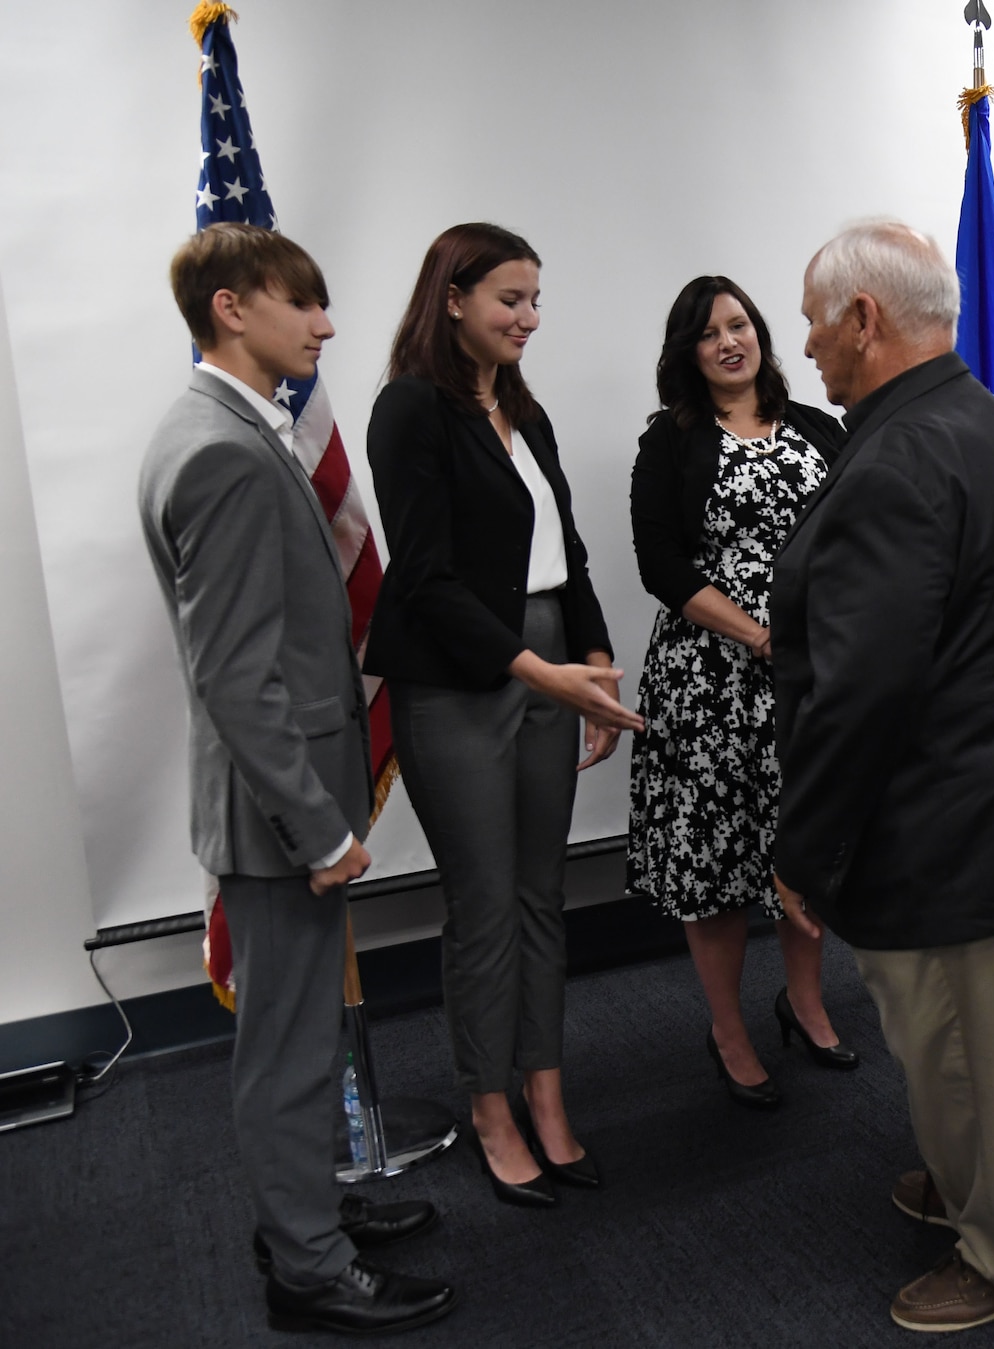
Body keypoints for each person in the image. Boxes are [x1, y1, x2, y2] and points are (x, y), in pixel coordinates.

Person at [771, 221, 994, 1332]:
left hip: (943, 815)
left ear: (865, 319)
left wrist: (804, 850)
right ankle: (964, 1184)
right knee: (973, 1038)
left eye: (818, 324)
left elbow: (862, 688)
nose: (808, 348)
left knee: (960, 1054)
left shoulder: (898, 454)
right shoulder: (971, 418)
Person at [138, 223, 453, 1334]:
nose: (324, 324)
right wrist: (319, 827)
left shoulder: (231, 426)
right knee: (284, 1047)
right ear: (232, 307)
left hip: (283, 801)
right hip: (279, 814)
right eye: (303, 303)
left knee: (302, 1030)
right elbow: (236, 674)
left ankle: (304, 1212)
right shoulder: (219, 449)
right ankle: (307, 1270)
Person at [366, 223, 643, 1206]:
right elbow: (427, 577)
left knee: (540, 896)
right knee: (481, 905)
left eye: (535, 301)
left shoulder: (524, 411)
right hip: (457, 675)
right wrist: (541, 673)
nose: (527, 318)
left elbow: (562, 548)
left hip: (548, 663)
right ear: (452, 298)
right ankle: (490, 1106)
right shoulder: (410, 409)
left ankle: (547, 1093)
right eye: (508, 299)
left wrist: (597, 660)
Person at [628, 276, 853, 1107]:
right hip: (711, 681)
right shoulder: (671, 442)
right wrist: (758, 635)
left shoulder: (819, 429)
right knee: (716, 866)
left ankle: (805, 1001)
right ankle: (728, 1028)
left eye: (740, 324)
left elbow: (858, 536)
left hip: (812, 679)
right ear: (688, 353)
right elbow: (664, 568)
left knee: (808, 848)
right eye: (708, 332)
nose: (730, 341)